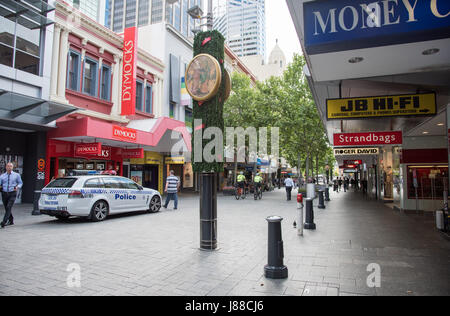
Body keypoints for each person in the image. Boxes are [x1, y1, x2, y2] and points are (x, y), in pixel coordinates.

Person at [0, 162, 23, 228]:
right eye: (8, 166)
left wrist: (17, 187)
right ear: (6, 167)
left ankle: (3, 222)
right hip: (4, 193)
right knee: (6, 208)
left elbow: (20, 183)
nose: (9, 167)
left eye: (10, 166)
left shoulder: (16, 175)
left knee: (8, 207)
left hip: (12, 193)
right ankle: (11, 220)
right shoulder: (2, 176)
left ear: (12, 167)